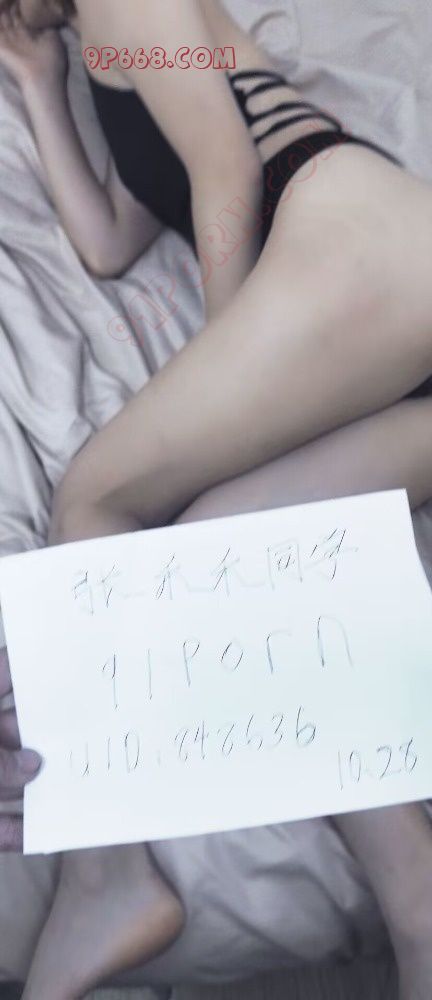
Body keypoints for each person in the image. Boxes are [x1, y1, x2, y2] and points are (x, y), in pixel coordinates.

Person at [0, 1, 432, 998]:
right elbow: (111, 240)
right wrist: (37, 83)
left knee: (95, 498)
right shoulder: (104, 47)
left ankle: (109, 875)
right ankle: (418, 900)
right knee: (229, 544)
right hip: (387, 328)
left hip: (370, 255)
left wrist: (225, 368)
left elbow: (230, 171)